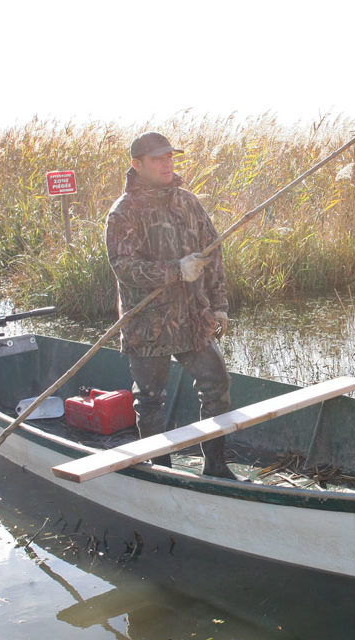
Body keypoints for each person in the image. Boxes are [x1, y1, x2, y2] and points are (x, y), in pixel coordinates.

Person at [105, 131, 235, 479]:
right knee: (149, 399)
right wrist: (176, 270)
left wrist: (219, 305)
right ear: (137, 164)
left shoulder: (187, 202)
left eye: (170, 157)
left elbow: (213, 251)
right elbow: (124, 268)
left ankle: (216, 466)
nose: (167, 164)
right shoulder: (123, 212)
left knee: (216, 386)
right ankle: (159, 472)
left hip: (194, 318)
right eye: (158, 159)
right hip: (147, 324)